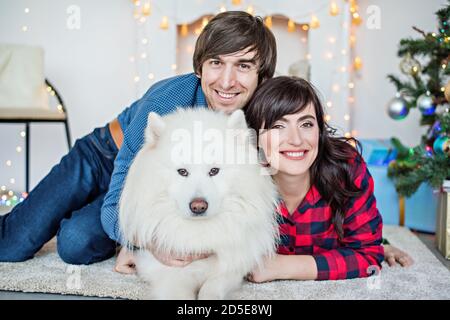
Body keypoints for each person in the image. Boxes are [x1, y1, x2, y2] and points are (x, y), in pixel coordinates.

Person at [0, 11, 277, 265]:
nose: (227, 82)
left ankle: (88, 220)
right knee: (13, 244)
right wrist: (149, 243)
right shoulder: (168, 101)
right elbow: (116, 203)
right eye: (216, 63)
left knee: (75, 243)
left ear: (262, 75)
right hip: (103, 157)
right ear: (200, 68)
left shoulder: (265, 116)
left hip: (161, 178)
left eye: (243, 66)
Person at [243, 76, 413, 281]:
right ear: (255, 138)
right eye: (278, 126)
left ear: (319, 131)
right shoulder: (240, 179)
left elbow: (368, 255)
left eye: (306, 124)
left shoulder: (346, 169)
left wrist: (280, 267)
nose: (296, 140)